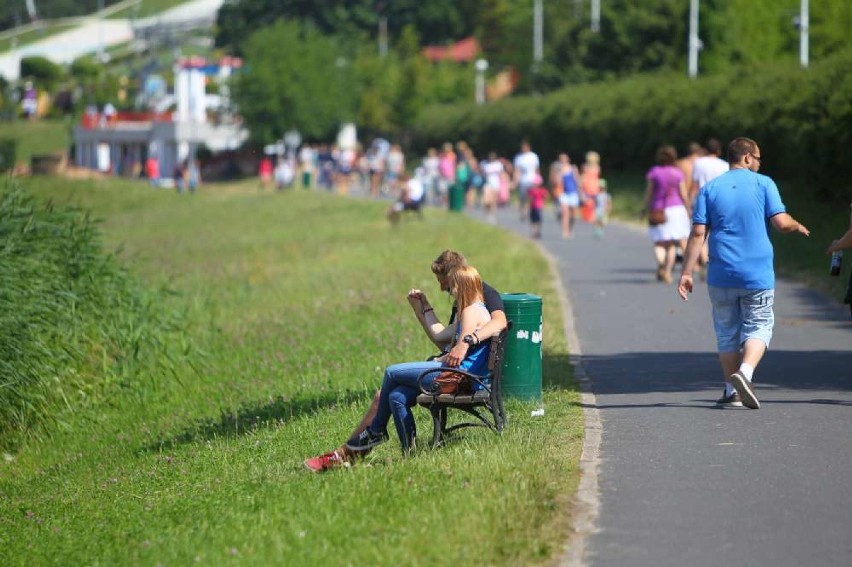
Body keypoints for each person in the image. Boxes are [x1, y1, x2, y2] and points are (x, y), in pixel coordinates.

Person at [304, 250, 508, 472]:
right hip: (453, 371)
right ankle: (409, 454)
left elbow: (497, 324)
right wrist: (422, 310)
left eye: (448, 285)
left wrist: (465, 342)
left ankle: (369, 437)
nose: (446, 290)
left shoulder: (475, 303)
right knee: (395, 396)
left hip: (455, 376)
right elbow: (442, 339)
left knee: (391, 372)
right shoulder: (469, 305)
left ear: (459, 279)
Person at [677, 137, 810, 409]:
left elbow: (698, 233)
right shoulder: (764, 184)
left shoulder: (709, 189)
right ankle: (745, 374)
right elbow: (781, 223)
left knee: (726, 332)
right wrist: (797, 225)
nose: (760, 163)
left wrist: (687, 272)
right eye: (758, 157)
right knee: (759, 325)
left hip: (721, 273)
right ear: (747, 157)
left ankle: (731, 392)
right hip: (757, 273)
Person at [643, 145, 691, 284]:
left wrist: (643, 208)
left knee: (659, 243)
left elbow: (649, 193)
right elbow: (683, 194)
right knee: (671, 244)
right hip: (676, 210)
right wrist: (688, 208)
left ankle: (662, 265)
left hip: (658, 210)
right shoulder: (677, 173)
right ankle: (668, 272)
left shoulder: (654, 172)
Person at [690, 138, 729, 277]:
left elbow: (694, 185)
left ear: (705, 150)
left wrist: (690, 202)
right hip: (720, 202)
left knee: (701, 234)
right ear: (719, 151)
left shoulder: (699, 163)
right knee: (717, 232)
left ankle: (705, 261)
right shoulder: (725, 165)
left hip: (701, 201)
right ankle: (715, 261)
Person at [512, 140, 540, 221]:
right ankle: (522, 210)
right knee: (522, 197)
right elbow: (517, 170)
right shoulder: (519, 157)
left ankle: (527, 210)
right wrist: (514, 181)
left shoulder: (533, 156)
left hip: (532, 179)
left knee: (530, 197)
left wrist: (538, 179)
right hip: (522, 180)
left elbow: (537, 169)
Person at [557, 153, 581, 239]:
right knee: (565, 213)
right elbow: (557, 182)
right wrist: (560, 173)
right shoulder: (559, 170)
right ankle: (565, 231)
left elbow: (577, 181)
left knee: (573, 214)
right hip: (564, 194)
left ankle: (570, 228)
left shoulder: (573, 168)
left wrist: (580, 192)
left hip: (573, 193)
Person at [527, 174, 549, 239]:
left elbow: (546, 195)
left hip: (539, 207)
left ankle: (537, 231)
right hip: (533, 207)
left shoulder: (541, 190)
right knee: (533, 220)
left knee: (538, 220)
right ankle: (534, 232)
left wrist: (544, 201)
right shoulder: (531, 190)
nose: (535, 185)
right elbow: (529, 197)